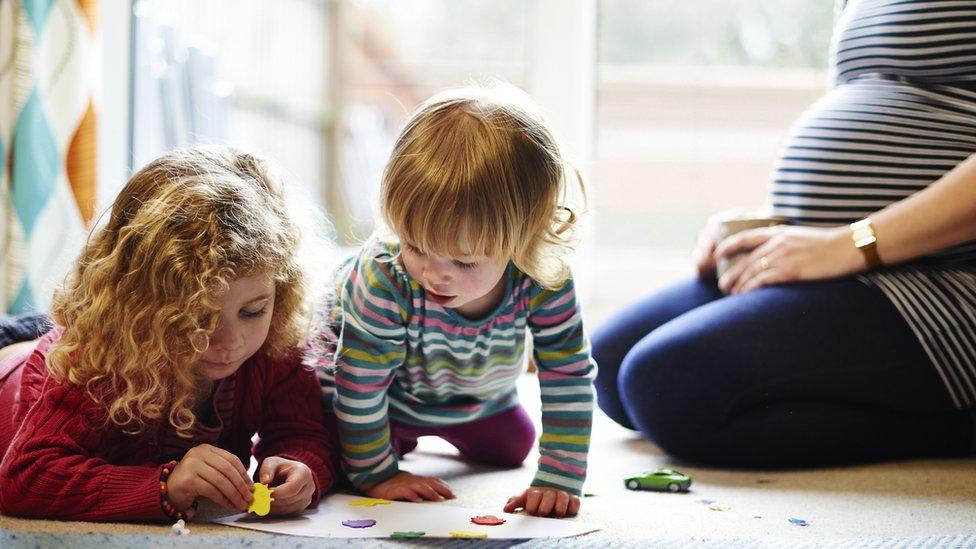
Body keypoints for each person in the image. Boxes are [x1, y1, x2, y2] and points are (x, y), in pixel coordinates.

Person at [591, 0, 976, 469]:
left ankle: (959, 426)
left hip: (945, 275)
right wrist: (769, 224)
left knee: (666, 385)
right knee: (607, 367)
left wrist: (851, 244)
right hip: (859, 258)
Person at [0, 146, 339, 521]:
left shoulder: (274, 341)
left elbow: (305, 433)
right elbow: (26, 479)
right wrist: (166, 485)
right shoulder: (92, 359)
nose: (230, 342)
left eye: (252, 311)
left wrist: (300, 467)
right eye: (198, 317)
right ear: (139, 302)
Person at [305, 83, 596, 518]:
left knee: (514, 447)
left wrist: (560, 477)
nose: (434, 274)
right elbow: (359, 382)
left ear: (525, 238)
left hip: (474, 395)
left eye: (464, 262)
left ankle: (421, 432)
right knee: (333, 452)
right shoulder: (384, 273)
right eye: (417, 246)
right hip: (372, 396)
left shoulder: (543, 273)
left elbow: (567, 370)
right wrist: (377, 474)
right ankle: (389, 442)